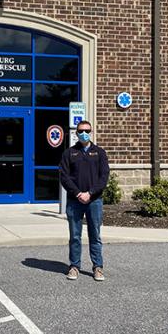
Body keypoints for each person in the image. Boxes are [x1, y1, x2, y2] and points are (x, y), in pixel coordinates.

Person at [59, 120, 110, 281]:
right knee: (75, 236)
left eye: (87, 130)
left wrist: (90, 193)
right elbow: (64, 176)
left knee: (95, 235)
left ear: (91, 132)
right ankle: (74, 266)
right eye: (81, 130)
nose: (83, 133)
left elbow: (104, 177)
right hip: (75, 202)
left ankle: (98, 267)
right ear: (76, 133)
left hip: (94, 201)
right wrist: (78, 193)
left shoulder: (99, 153)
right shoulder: (69, 153)